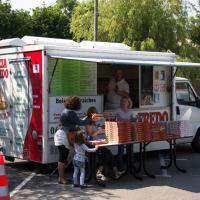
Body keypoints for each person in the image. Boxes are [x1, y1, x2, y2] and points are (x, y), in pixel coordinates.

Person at [54, 96, 99, 185]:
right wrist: (90, 118)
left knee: (63, 158)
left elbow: (78, 121)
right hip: (63, 136)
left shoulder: (66, 111)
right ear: (75, 104)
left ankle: (61, 177)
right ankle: (62, 178)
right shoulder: (71, 112)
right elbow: (80, 122)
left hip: (61, 135)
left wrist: (87, 118)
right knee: (62, 158)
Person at [85, 106, 125, 181]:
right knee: (106, 153)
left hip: (99, 142)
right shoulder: (88, 123)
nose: (96, 115)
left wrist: (102, 129)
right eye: (94, 114)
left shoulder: (94, 122)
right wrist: (98, 131)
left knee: (108, 152)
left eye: (96, 114)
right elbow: (90, 135)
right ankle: (101, 172)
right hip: (91, 144)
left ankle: (114, 172)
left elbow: (105, 117)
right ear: (91, 115)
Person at [115, 96, 135, 170]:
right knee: (120, 151)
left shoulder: (130, 111)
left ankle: (131, 166)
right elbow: (117, 121)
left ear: (128, 103)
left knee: (130, 150)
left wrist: (135, 119)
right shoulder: (118, 111)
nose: (124, 103)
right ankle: (120, 167)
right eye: (122, 101)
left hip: (129, 132)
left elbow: (132, 120)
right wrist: (127, 121)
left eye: (125, 101)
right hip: (121, 133)